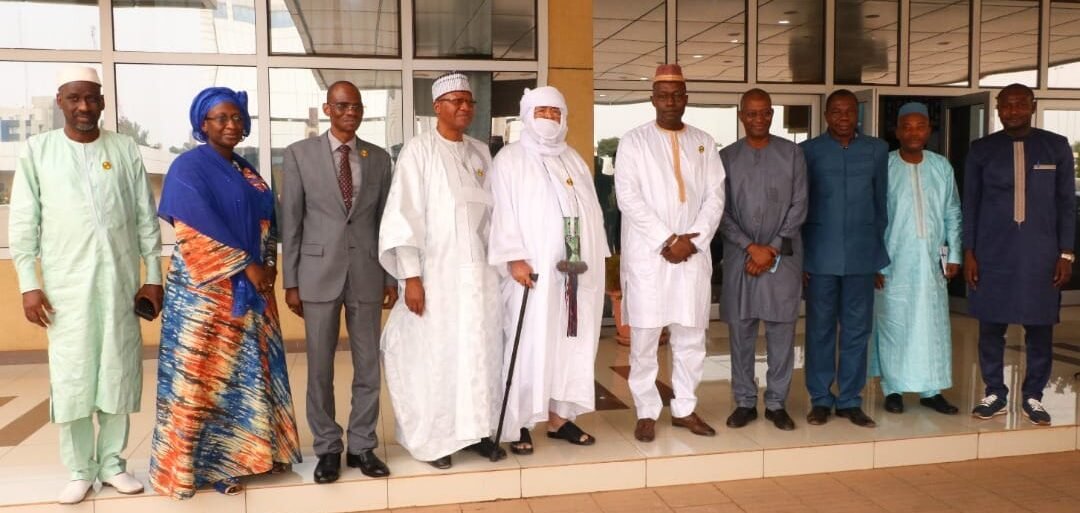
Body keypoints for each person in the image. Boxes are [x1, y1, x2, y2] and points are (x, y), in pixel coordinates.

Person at [8, 66, 162, 505]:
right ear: (60, 101)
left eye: (91, 98)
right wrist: (29, 284)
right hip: (64, 288)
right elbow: (24, 225)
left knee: (117, 368)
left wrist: (152, 276)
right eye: (74, 98)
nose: (83, 107)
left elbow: (144, 219)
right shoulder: (38, 151)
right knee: (73, 376)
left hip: (118, 284)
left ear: (102, 102)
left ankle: (112, 464)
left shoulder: (124, 148)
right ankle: (79, 469)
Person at [149, 87, 302, 499]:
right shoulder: (188, 168)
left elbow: (266, 223)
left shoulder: (247, 171)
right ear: (203, 124)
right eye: (221, 118)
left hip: (251, 295)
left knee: (246, 375)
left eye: (237, 118)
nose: (232, 125)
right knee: (204, 379)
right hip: (205, 297)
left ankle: (252, 456)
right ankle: (203, 468)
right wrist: (246, 266)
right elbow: (191, 230)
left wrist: (268, 265)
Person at [378, 72, 505, 469]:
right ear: (437, 107)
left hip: (481, 278)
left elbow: (496, 216)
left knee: (480, 353)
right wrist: (410, 277)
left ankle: (478, 430)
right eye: (455, 101)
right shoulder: (419, 151)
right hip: (437, 277)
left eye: (469, 101)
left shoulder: (482, 153)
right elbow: (403, 216)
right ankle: (436, 439)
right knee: (436, 356)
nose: (464, 107)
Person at [280, 81, 395, 484]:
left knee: (368, 365)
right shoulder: (299, 155)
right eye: (343, 105)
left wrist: (390, 275)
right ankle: (328, 447)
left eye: (357, 106)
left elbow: (385, 224)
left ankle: (362, 445)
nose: (351, 112)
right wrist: (290, 280)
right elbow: (290, 221)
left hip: (365, 273)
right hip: (316, 275)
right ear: (327, 108)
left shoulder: (378, 158)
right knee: (320, 367)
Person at [487, 86, 609, 455]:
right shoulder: (510, 159)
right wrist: (514, 257)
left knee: (569, 345)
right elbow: (500, 211)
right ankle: (519, 423)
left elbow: (593, 212)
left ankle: (559, 418)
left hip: (575, 276)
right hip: (532, 273)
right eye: (542, 112)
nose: (550, 119)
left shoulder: (574, 159)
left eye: (556, 113)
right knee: (528, 344)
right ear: (526, 115)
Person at [615, 64, 725, 443]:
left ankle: (685, 408)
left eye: (677, 95)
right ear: (652, 99)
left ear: (686, 99)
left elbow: (716, 196)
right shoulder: (634, 141)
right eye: (663, 95)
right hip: (650, 255)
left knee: (691, 335)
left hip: (692, 255)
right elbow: (628, 197)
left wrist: (693, 240)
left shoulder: (704, 141)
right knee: (645, 337)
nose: (670, 102)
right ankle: (647, 410)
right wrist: (667, 238)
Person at [964, 83, 1075, 426]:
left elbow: (1066, 204)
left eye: (1019, 104)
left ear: (1032, 106)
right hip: (992, 252)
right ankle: (995, 392)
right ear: (997, 109)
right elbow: (971, 203)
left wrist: (1066, 254)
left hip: (1041, 254)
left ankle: (1034, 396)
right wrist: (969, 252)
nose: (1013, 111)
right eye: (1006, 105)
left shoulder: (1054, 146)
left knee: (1040, 326)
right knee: (990, 325)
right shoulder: (982, 149)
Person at [719, 88, 807, 431]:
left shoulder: (793, 154)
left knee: (781, 332)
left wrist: (769, 247)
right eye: (751, 113)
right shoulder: (726, 157)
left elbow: (800, 205)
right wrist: (749, 246)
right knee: (741, 331)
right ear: (742, 116)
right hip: (741, 258)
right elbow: (720, 211)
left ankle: (776, 403)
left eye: (765, 113)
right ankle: (744, 401)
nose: (759, 119)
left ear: (772, 114)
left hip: (782, 257)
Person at [800, 89, 889, 428]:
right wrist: (803, 259)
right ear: (826, 115)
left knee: (857, 330)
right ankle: (821, 398)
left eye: (848, 111)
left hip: (861, 256)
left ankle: (850, 399)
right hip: (820, 256)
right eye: (835, 111)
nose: (842, 117)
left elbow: (882, 205)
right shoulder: (808, 151)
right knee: (820, 330)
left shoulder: (877, 150)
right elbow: (802, 207)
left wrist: (878, 256)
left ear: (858, 114)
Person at [870, 102, 961, 416]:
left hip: (931, 263)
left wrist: (955, 255)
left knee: (932, 326)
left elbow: (952, 213)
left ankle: (931, 390)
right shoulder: (884, 165)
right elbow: (870, 217)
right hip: (892, 263)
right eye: (906, 127)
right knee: (893, 325)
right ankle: (893, 389)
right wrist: (874, 262)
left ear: (928, 131)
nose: (913, 132)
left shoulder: (941, 167)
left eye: (919, 126)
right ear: (897, 132)